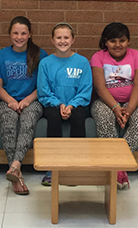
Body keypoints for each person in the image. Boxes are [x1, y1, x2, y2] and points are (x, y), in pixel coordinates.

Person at [90, 22, 138, 189]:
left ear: (128, 41)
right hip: (105, 101)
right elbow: (100, 87)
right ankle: (118, 168)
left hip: (134, 102)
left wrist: (129, 110)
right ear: (105, 42)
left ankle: (118, 166)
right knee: (104, 118)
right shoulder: (98, 57)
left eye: (122, 40)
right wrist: (116, 107)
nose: (117, 45)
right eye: (112, 41)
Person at [0, 16, 48, 195]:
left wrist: (27, 100)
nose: (19, 37)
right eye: (15, 33)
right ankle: (16, 172)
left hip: (32, 100)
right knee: (8, 122)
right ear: (10, 34)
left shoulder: (40, 54)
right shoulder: (1, 55)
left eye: (23, 33)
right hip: (6, 100)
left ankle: (15, 165)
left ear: (30, 34)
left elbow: (43, 86)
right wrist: (10, 100)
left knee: (28, 120)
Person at [37, 22, 93, 186]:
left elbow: (85, 90)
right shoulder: (46, 63)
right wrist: (59, 104)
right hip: (53, 105)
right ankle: (53, 168)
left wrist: (71, 105)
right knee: (53, 118)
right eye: (59, 38)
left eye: (66, 37)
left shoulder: (82, 62)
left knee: (78, 118)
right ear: (53, 40)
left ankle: (75, 166)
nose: (63, 41)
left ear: (73, 39)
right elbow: (43, 91)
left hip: (76, 105)